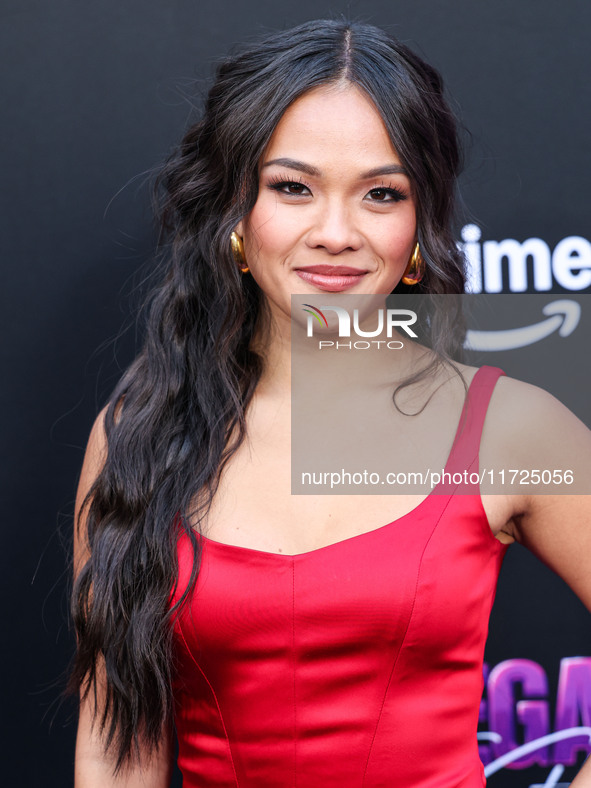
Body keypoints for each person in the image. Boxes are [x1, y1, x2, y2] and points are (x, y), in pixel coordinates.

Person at [69, 18, 591, 787]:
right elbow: (118, 747)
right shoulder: (137, 436)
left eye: (381, 194)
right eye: (292, 188)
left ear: (418, 226)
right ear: (234, 215)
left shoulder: (508, 428)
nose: (336, 232)